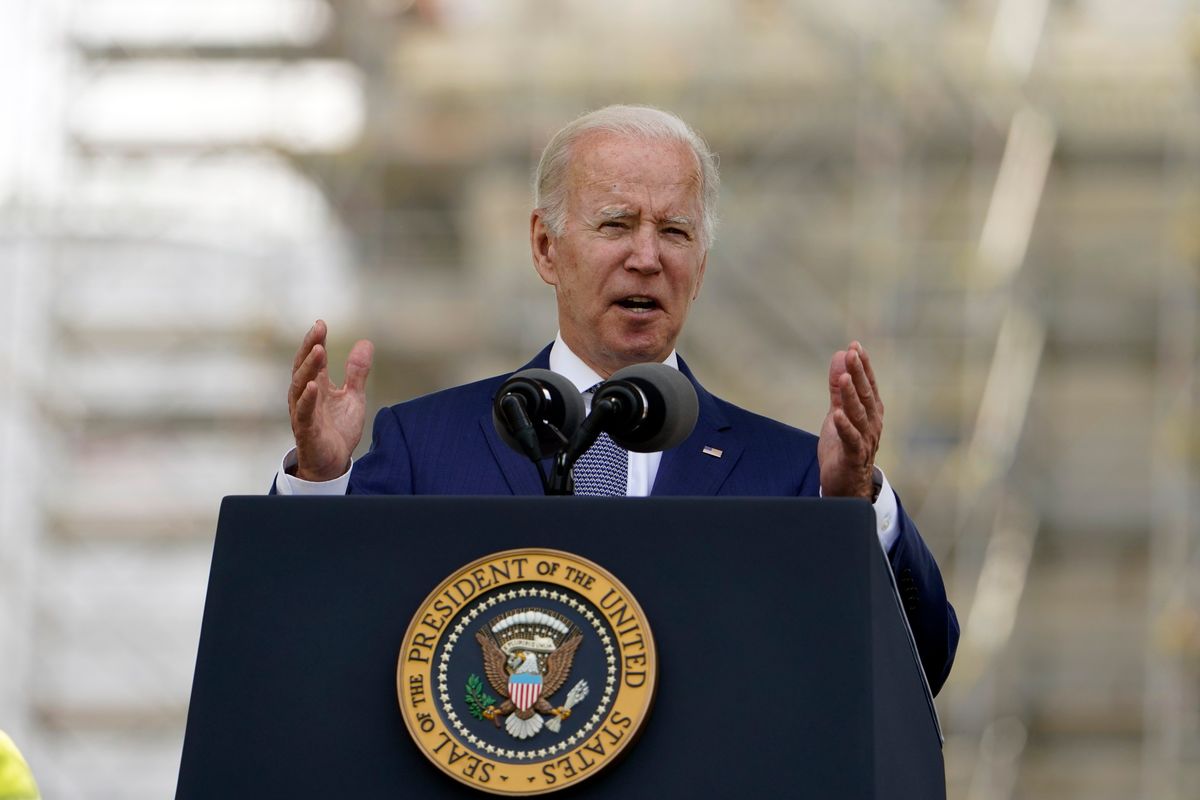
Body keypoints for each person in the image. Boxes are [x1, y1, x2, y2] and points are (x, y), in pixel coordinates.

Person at [273, 105, 958, 694]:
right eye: (615, 225)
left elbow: (921, 664)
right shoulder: (428, 444)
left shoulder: (793, 474)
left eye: (676, 232)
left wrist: (856, 506)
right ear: (546, 247)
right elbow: (310, 641)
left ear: (702, 269)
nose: (647, 257)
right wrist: (319, 484)